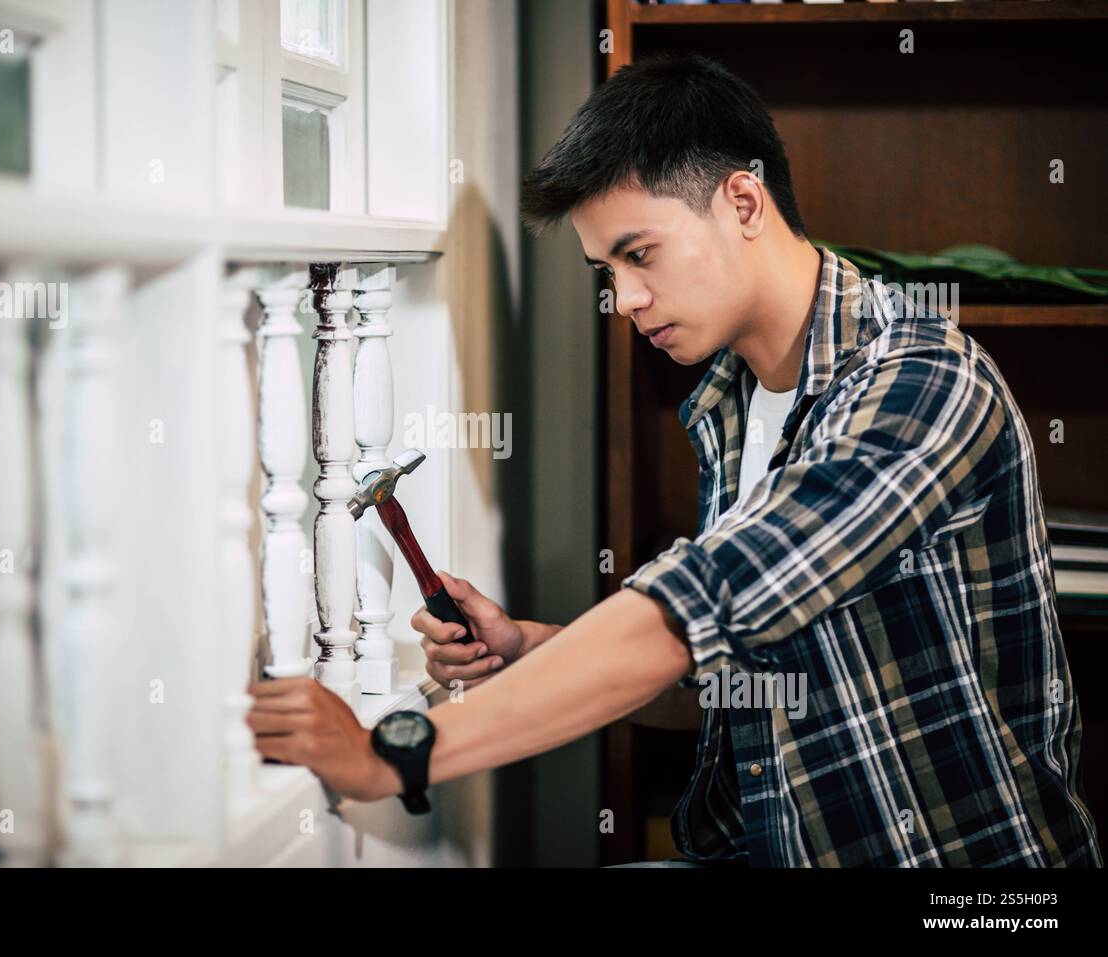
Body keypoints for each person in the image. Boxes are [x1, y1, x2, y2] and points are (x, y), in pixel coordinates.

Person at [246, 52, 1102, 867]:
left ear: (742, 202)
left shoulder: (921, 383)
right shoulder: (732, 401)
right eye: (604, 270)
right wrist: (530, 650)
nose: (623, 299)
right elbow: (736, 684)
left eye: (639, 253)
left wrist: (396, 757)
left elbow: (696, 608)